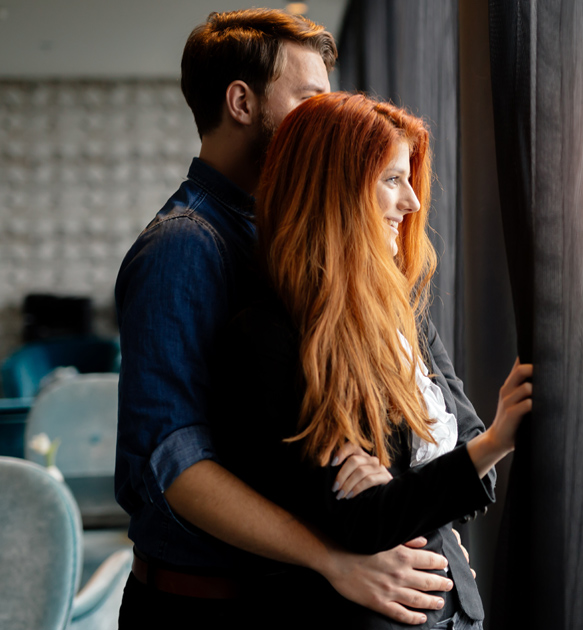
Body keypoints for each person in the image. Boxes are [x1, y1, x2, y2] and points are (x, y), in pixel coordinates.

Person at [115, 9, 463, 627]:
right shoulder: (183, 246)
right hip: (205, 604)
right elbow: (176, 464)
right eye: (308, 99)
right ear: (242, 102)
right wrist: (333, 558)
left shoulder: (289, 237)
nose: (328, 117)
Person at [207, 91, 532, 629]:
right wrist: (491, 445)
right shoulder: (268, 337)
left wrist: (414, 483)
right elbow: (363, 521)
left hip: (458, 613)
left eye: (409, 180)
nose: (411, 202)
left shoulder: (403, 312)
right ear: (333, 189)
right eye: (391, 179)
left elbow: (475, 467)